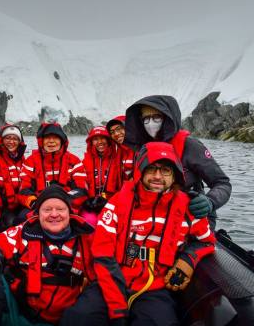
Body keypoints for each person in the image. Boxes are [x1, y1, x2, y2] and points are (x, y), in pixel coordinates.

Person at [61, 142, 216, 326]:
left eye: (165, 170)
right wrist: (118, 309)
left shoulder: (187, 207)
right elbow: (102, 255)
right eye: (151, 169)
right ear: (140, 171)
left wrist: (187, 261)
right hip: (113, 279)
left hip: (156, 288)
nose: (158, 176)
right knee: (78, 318)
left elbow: (206, 241)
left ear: (175, 174)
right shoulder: (117, 203)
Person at [0, 184, 95, 325]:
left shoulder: (86, 241)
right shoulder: (23, 233)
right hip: (21, 315)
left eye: (60, 209)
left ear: (70, 213)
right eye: (47, 209)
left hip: (63, 320)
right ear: (38, 214)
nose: (54, 214)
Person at [123, 95, 231, 226]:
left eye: (156, 117)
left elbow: (222, 183)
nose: (150, 123)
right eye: (146, 118)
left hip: (191, 216)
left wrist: (210, 201)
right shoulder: (142, 148)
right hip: (152, 216)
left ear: (168, 117)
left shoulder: (191, 146)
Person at [18, 122, 88, 213]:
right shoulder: (30, 162)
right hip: (38, 207)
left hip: (68, 206)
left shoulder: (74, 161)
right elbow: (24, 190)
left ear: (62, 141)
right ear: (41, 141)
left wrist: (65, 200)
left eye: (55, 137)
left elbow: (81, 190)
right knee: (21, 218)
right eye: (47, 138)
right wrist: (35, 202)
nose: (51, 141)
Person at [80, 126, 124, 226]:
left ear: (109, 140)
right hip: (91, 203)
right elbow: (82, 184)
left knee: (109, 225)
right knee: (88, 223)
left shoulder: (118, 159)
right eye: (95, 139)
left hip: (113, 203)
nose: (100, 142)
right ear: (91, 142)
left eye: (103, 138)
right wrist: (87, 202)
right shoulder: (85, 161)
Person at [0, 124, 27, 229]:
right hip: (3, 207)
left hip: (20, 204)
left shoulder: (22, 159)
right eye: (8, 138)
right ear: (2, 140)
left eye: (15, 139)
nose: (11, 142)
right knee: (11, 223)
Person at [106, 115, 135, 180]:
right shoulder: (120, 151)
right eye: (112, 132)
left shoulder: (141, 149)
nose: (116, 134)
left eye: (119, 129)